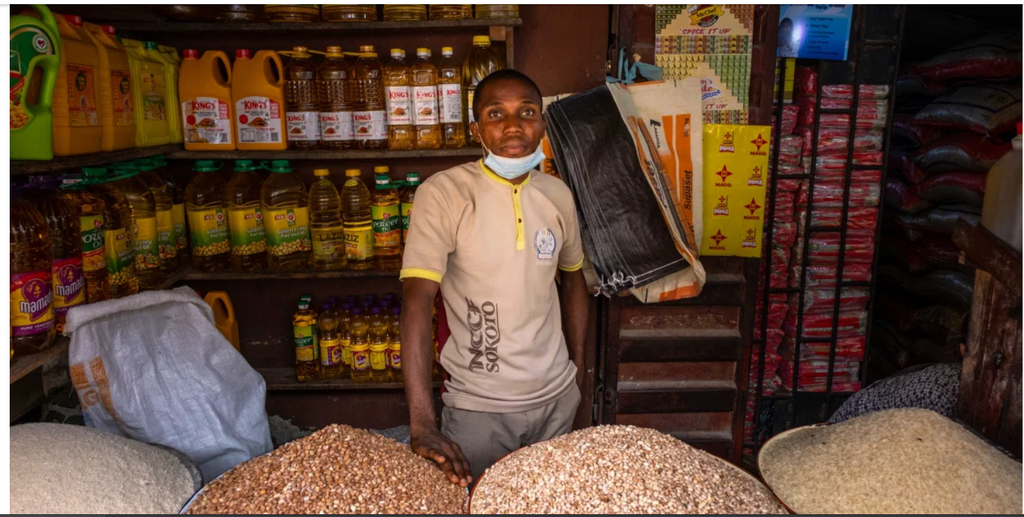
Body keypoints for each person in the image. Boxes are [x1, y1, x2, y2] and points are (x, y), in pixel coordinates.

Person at [400, 69, 589, 486]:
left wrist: (579, 376)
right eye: (495, 114)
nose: (513, 126)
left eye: (527, 112)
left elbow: (574, 280)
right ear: (476, 129)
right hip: (479, 409)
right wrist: (422, 424)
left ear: (542, 123)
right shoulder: (444, 193)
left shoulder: (557, 194)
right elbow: (415, 303)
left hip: (557, 400)